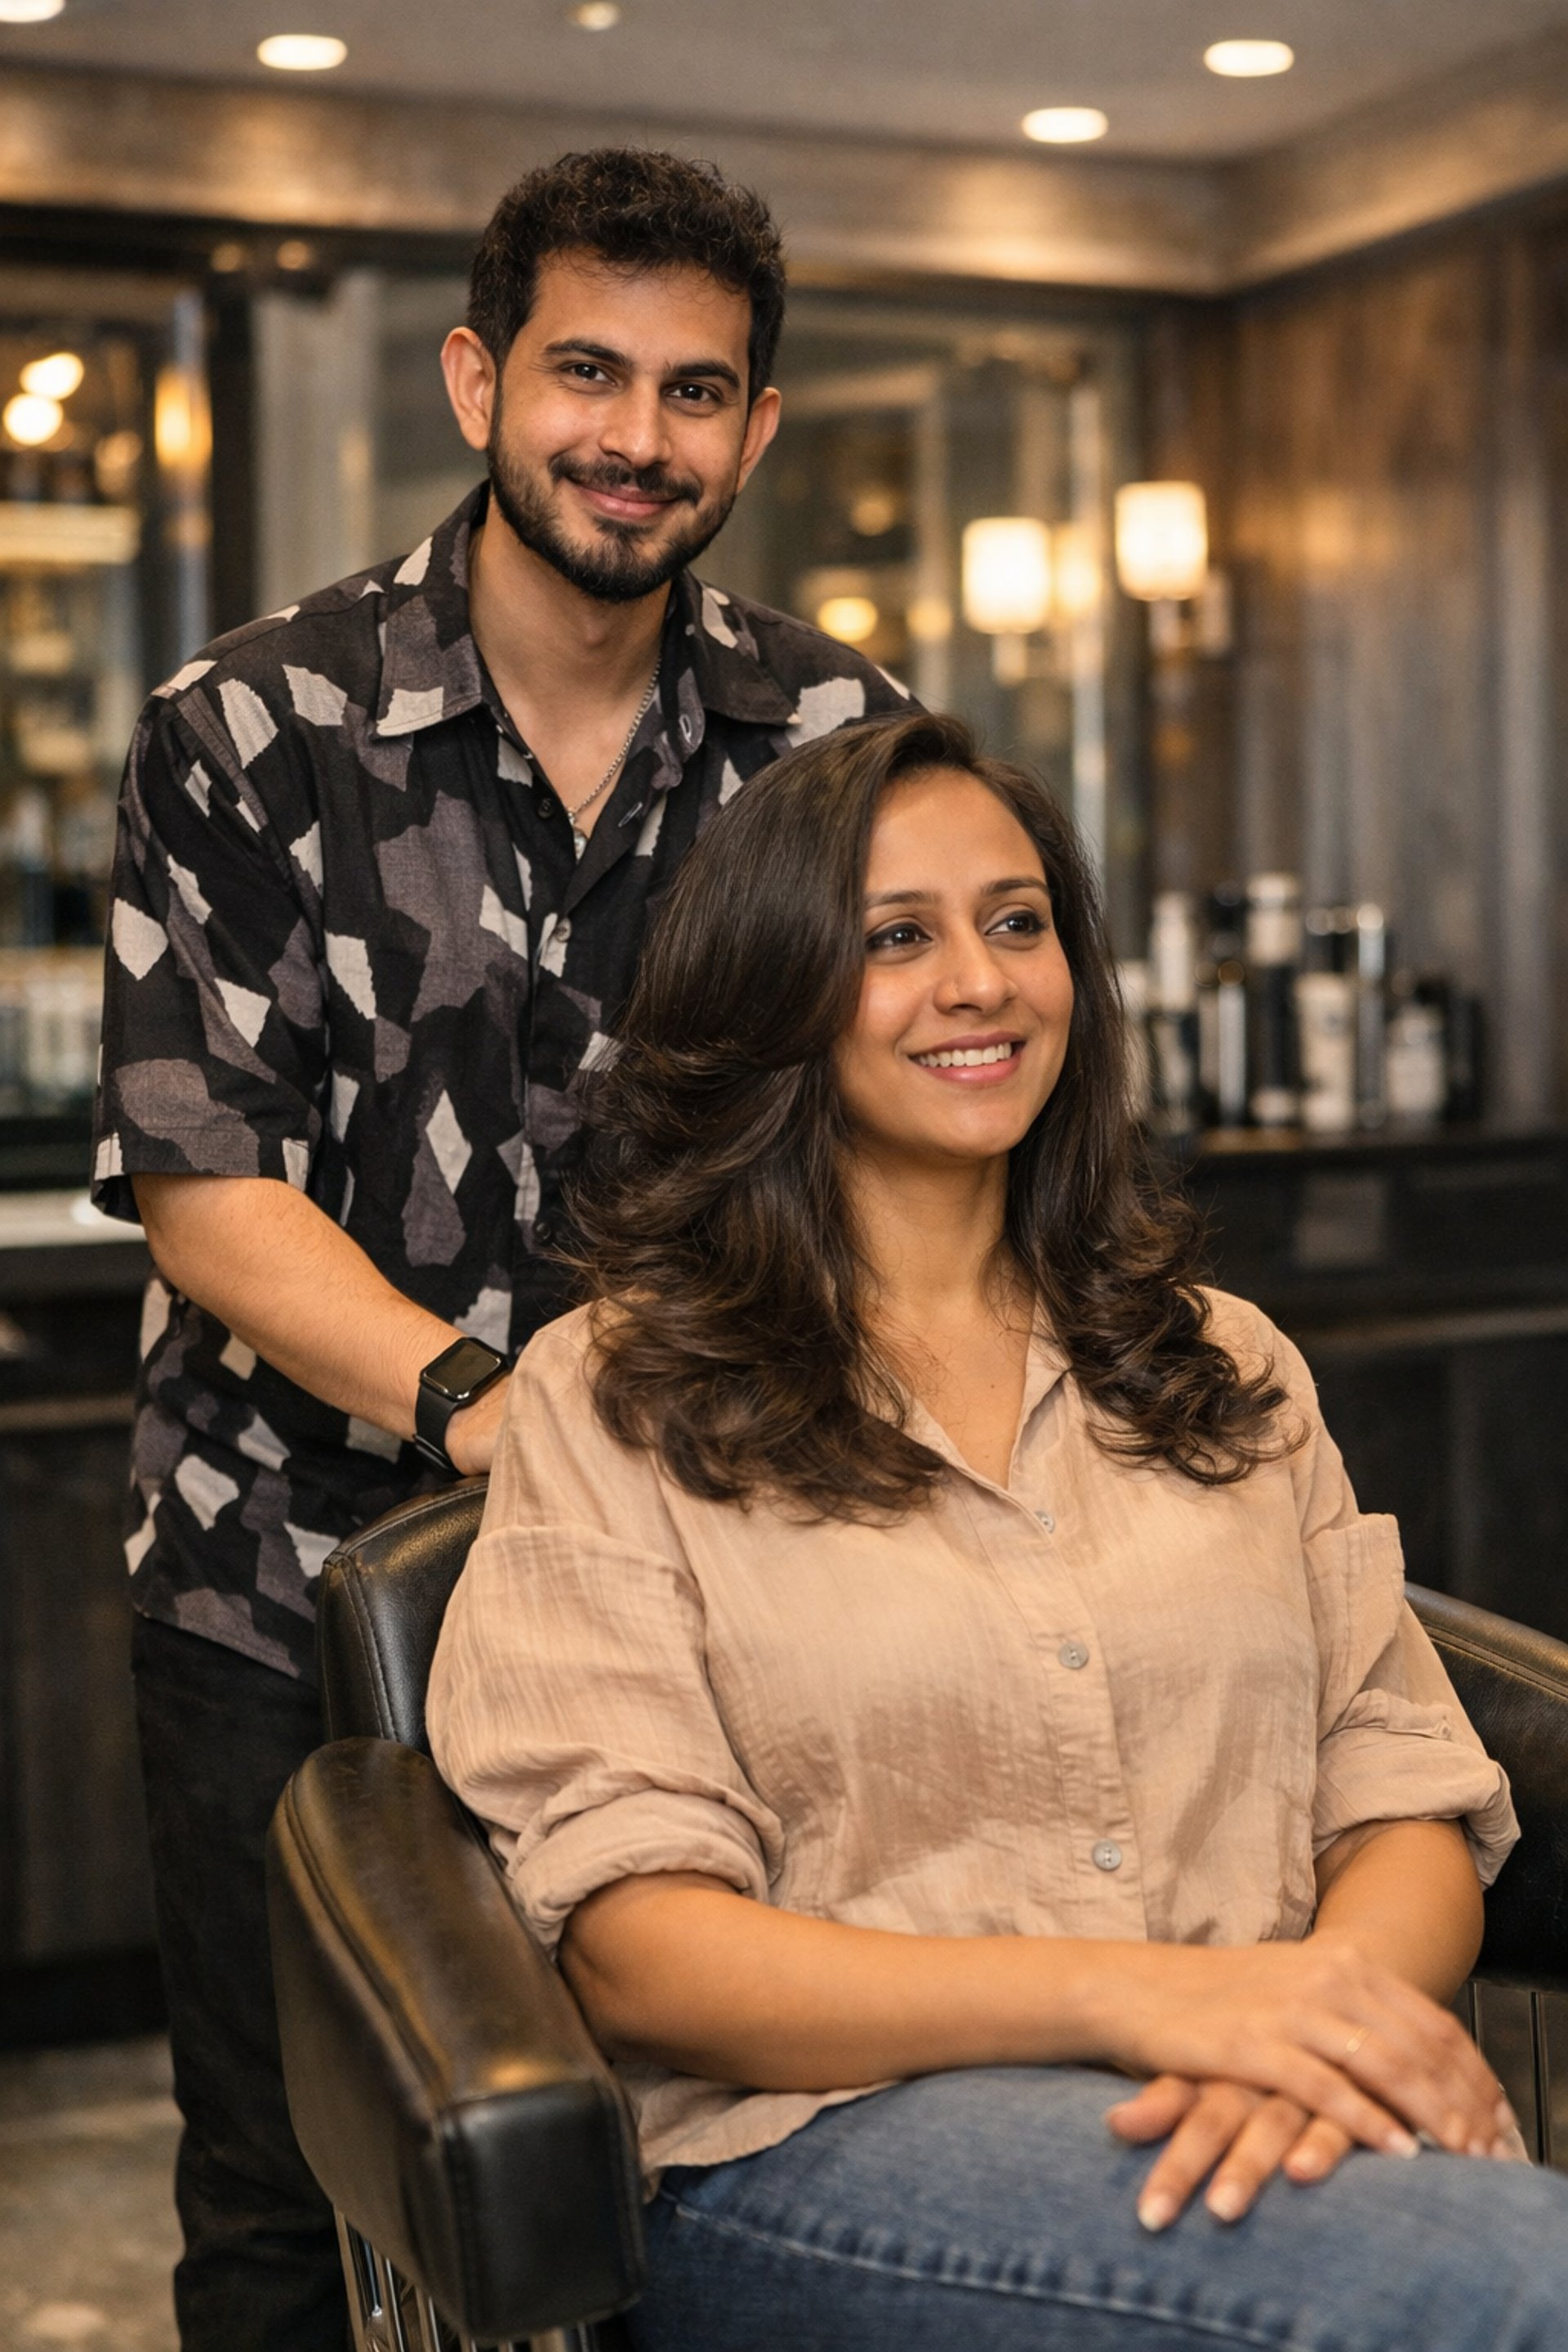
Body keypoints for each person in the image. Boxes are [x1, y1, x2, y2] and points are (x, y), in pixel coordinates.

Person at [428, 707, 1568, 2352]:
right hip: (817, 2161)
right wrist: (1164, 2004)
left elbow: (1396, 1786)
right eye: (897, 937)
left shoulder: (1223, 1358)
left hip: (1275, 2113)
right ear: (777, 994)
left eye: (1018, 922)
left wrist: (1326, 2026)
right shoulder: (612, 1396)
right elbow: (643, 1952)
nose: (981, 981)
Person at [91, 148, 912, 2352]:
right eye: (586, 372)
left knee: (687, 2153)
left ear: (753, 428)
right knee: (293, 2188)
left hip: (717, 1597)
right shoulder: (249, 735)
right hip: (286, 1584)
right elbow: (204, 1178)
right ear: (479, 380)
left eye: (696, 391)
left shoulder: (834, 750)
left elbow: (899, 1140)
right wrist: (484, 1398)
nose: (635, 435)